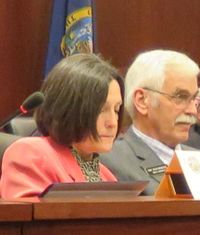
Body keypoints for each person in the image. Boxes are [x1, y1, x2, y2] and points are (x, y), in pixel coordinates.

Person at [0, 53, 124, 198]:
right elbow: (29, 217)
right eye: (102, 110)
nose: (113, 123)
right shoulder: (31, 154)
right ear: (69, 107)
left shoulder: (106, 175)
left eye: (116, 110)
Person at [102, 49, 200, 195]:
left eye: (195, 99)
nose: (193, 110)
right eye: (180, 97)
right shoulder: (110, 160)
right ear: (142, 101)